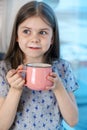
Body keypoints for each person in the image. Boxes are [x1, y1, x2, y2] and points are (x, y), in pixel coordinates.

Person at [0, 1, 79, 130]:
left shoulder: (63, 68)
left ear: (52, 38)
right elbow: (2, 126)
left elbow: (72, 121)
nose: (34, 39)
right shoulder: (4, 70)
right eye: (26, 31)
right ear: (17, 36)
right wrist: (15, 90)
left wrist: (58, 87)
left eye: (42, 32)